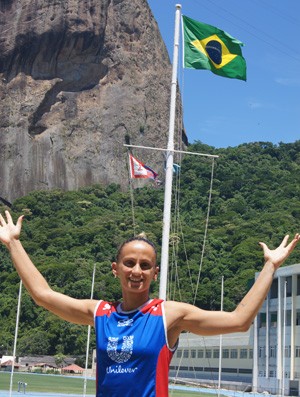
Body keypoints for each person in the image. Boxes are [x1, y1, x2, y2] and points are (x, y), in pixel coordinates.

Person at [0, 209, 299, 397]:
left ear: (155, 273)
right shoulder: (100, 312)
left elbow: (239, 319)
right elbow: (43, 295)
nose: (136, 271)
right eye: (129, 263)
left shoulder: (168, 315)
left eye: (145, 265)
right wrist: (14, 243)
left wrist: (270, 267)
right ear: (116, 268)